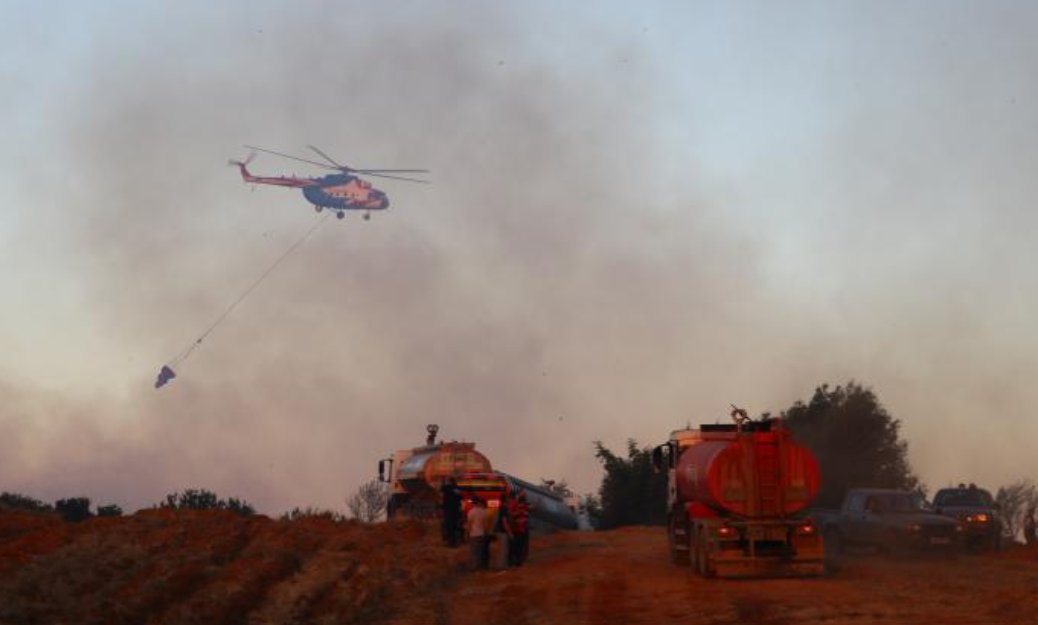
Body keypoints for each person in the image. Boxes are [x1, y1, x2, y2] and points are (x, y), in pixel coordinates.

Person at [466, 498, 491, 570]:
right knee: (480, 552)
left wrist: (466, 534)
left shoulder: (471, 512)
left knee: (473, 552)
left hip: (474, 534)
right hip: (482, 534)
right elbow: (486, 524)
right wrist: (485, 533)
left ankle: (473, 567)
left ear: (474, 504)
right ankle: (479, 566)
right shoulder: (484, 512)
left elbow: (469, 524)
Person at [507, 490, 530, 567]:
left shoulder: (515, 506)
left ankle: (512, 561)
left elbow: (512, 516)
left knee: (514, 546)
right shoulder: (523, 508)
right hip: (521, 529)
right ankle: (518, 561)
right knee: (519, 546)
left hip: (515, 528)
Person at [440, 477, 462, 547]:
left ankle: (451, 542)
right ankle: (457, 541)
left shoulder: (446, 487)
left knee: (449, 525)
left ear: (449, 481)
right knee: (456, 525)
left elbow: (441, 491)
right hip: (457, 509)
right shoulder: (458, 488)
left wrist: (443, 481)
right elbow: (460, 496)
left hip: (448, 509)